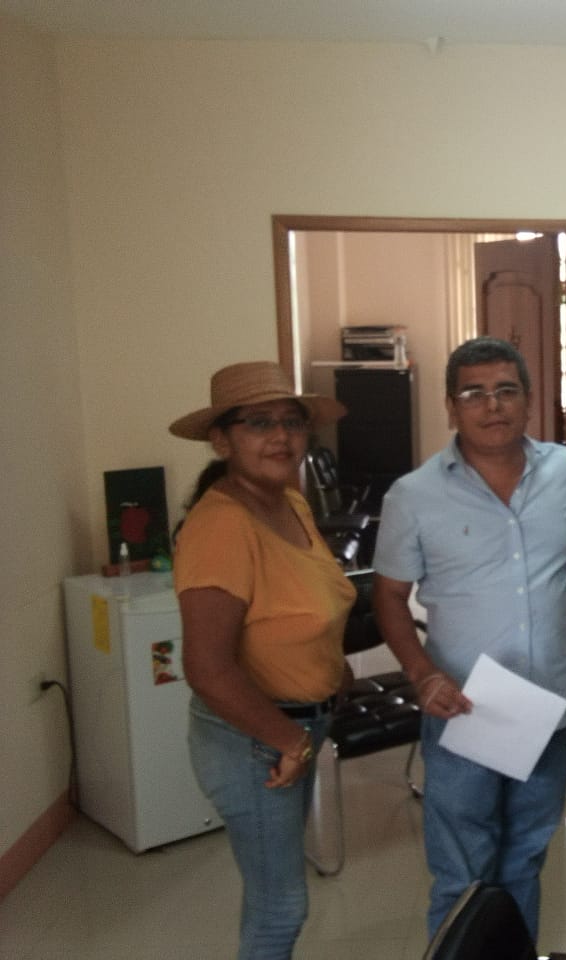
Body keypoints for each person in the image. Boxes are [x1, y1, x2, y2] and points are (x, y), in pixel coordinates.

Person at [371, 336, 566, 943]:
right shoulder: (413, 495)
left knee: (524, 861)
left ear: (529, 401)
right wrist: (421, 673)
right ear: (451, 407)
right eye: (474, 393)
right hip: (463, 708)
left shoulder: (562, 471)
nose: (492, 405)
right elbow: (387, 597)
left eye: (505, 390)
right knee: (461, 876)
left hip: (546, 707)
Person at [169, 361, 357, 959]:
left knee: (272, 894)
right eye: (258, 423)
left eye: (291, 422)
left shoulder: (288, 501)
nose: (281, 436)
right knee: (281, 908)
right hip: (255, 741)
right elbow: (208, 668)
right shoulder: (220, 526)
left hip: (292, 731)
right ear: (221, 441)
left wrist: (334, 668)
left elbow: (303, 602)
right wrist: (290, 741)